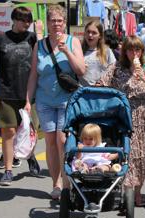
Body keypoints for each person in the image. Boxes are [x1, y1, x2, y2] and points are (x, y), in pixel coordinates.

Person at [25, 4, 85, 199]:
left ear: (64, 23)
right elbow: (34, 74)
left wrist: (66, 51)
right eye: (53, 20)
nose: (56, 24)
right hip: (44, 100)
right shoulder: (39, 45)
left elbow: (81, 70)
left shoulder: (73, 41)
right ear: (48, 23)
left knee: (62, 140)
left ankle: (67, 181)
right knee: (50, 142)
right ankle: (56, 183)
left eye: (60, 21)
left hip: (66, 100)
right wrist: (28, 100)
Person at [98, 35, 145, 207]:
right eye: (130, 49)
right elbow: (103, 82)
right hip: (128, 118)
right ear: (125, 51)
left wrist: (143, 77)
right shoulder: (117, 67)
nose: (133, 53)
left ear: (142, 51)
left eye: (137, 49)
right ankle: (136, 195)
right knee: (134, 157)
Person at [0, 7, 41, 186]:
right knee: (8, 132)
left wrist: (39, 33)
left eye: (28, 21)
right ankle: (8, 170)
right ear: (14, 19)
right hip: (6, 92)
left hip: (29, 94)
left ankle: (30, 156)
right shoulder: (0, 41)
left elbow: (43, 58)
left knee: (29, 132)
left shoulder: (33, 39)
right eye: (23, 20)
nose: (26, 24)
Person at [81, 20, 116, 87]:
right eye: (88, 32)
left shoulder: (107, 51)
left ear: (100, 36)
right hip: (83, 91)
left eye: (94, 33)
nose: (90, 35)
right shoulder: (79, 50)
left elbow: (113, 68)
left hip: (101, 90)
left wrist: (104, 80)